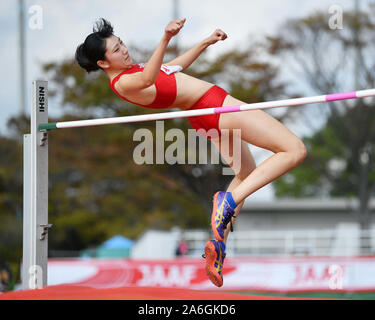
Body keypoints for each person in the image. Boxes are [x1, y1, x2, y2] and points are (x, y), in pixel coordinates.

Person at [75, 18, 307, 287]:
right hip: (216, 106)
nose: (124, 50)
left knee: (245, 173)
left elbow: (172, 68)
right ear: (103, 63)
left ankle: (218, 247)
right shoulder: (124, 82)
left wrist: (205, 43)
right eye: (116, 50)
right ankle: (228, 202)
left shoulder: (134, 70)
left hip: (204, 116)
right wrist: (165, 37)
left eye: (121, 43)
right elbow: (151, 76)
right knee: (294, 149)